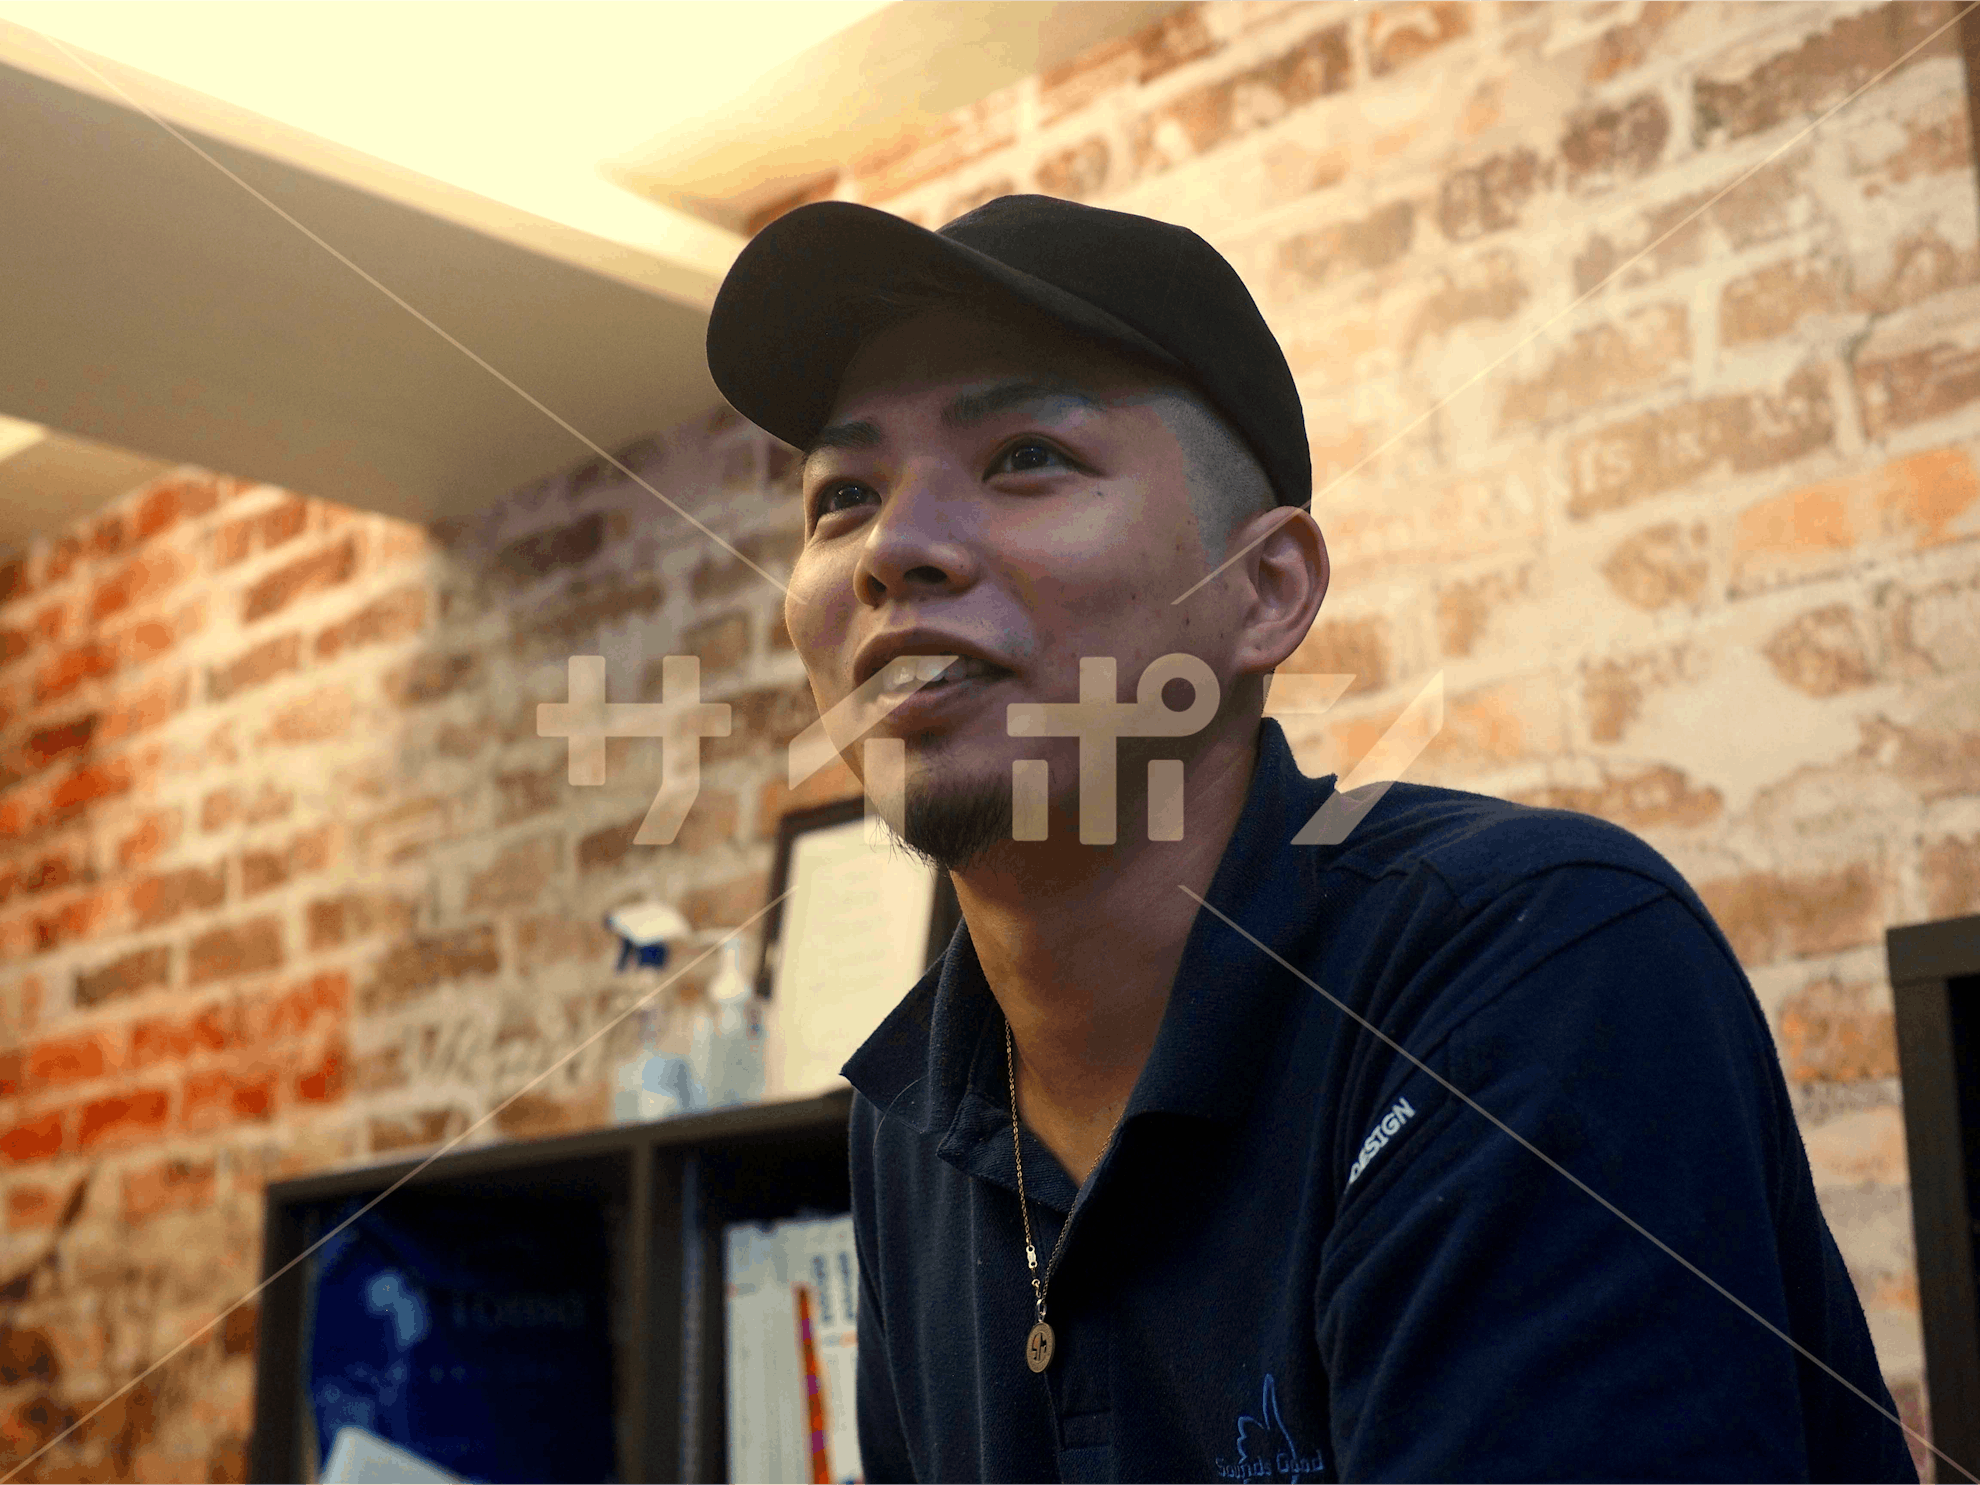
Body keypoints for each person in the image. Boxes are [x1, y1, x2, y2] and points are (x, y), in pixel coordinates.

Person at [704, 194, 1918, 1483]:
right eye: (844, 496)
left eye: (1025, 458)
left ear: (1264, 591)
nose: (894, 549)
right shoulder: (915, 1117)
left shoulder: (1532, 962)